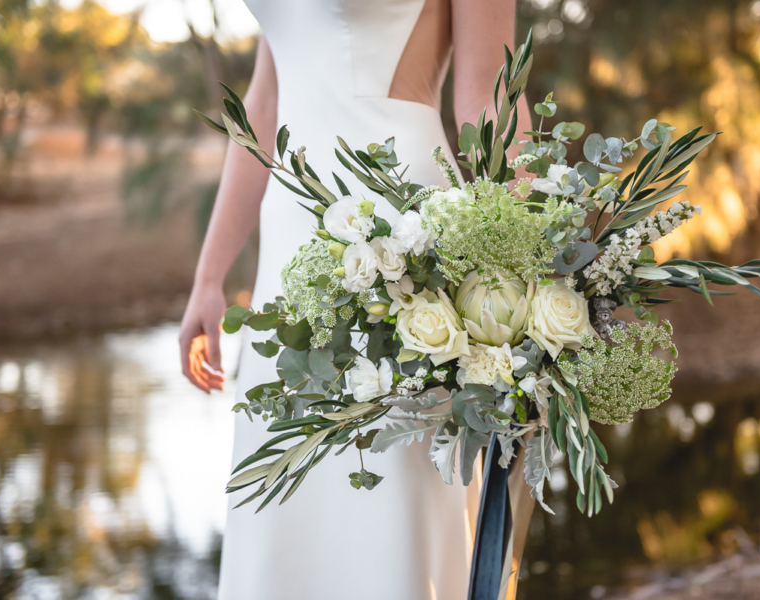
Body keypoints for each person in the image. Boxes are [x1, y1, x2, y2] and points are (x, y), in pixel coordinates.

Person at [179, 1, 532, 597]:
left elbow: (487, 100)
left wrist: (532, 263)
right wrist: (209, 277)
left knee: (391, 488)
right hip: (290, 244)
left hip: (399, 226)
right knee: (288, 480)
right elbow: (263, 106)